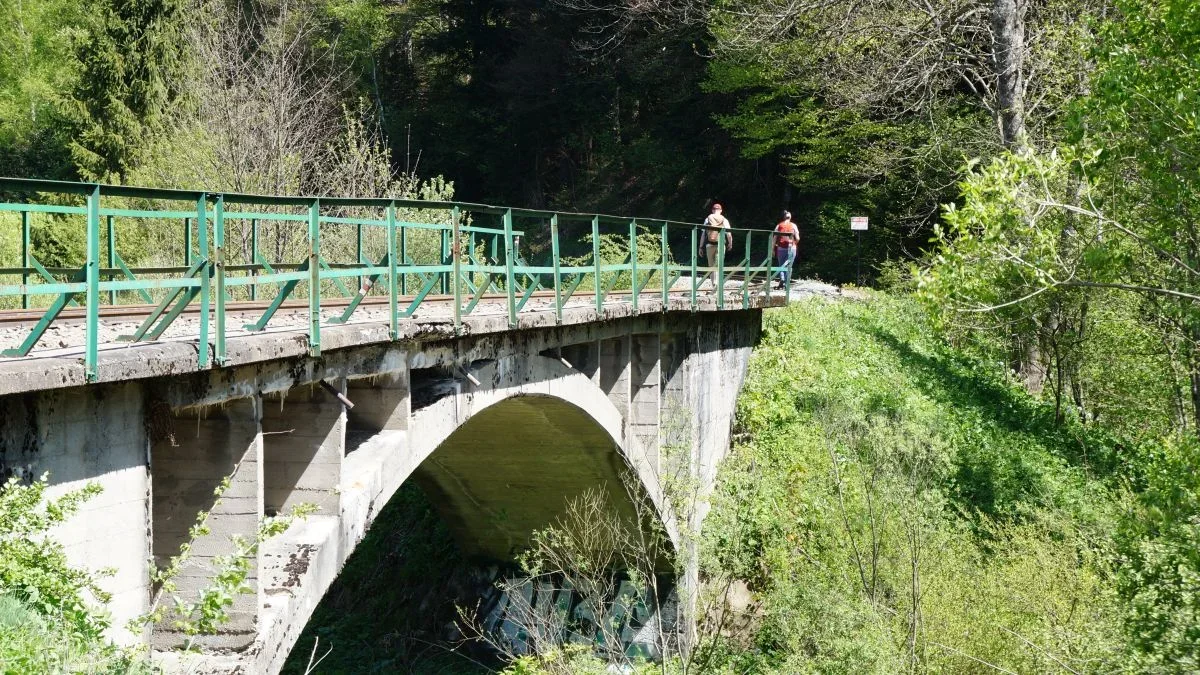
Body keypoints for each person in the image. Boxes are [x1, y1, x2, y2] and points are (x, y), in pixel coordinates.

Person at [700, 203, 733, 288]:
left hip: (709, 245)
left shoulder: (707, 219)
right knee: (719, 265)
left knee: (711, 266)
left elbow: (703, 234)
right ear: (721, 211)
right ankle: (718, 284)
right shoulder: (724, 220)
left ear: (712, 210)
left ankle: (713, 284)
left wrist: (700, 247)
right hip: (720, 245)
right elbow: (728, 234)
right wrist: (730, 243)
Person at [772, 210, 799, 288]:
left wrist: (773, 249)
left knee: (781, 265)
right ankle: (787, 284)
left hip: (780, 248)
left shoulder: (778, 225)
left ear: (783, 217)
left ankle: (782, 280)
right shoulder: (794, 225)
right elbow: (797, 238)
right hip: (791, 248)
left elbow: (774, 239)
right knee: (789, 266)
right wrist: (794, 244)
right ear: (790, 217)